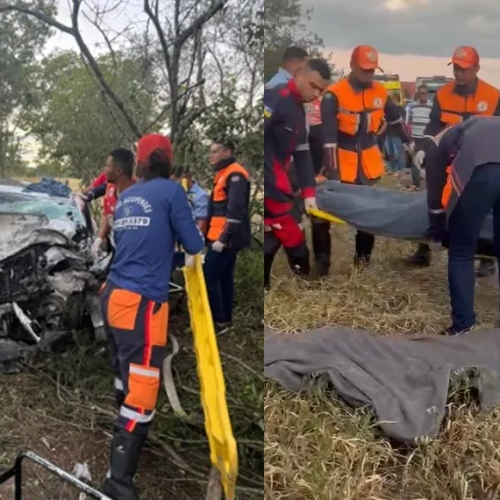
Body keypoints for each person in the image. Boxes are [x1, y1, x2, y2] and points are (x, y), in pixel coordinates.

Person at [100, 133, 204, 500]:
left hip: (111, 295)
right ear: (168, 161)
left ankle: (124, 425)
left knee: (123, 374)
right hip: (141, 306)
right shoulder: (172, 192)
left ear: (140, 164)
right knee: (143, 394)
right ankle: (117, 484)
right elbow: (193, 245)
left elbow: (132, 244)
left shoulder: (128, 197)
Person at [406, 46, 500, 273]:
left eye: (464, 69)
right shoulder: (442, 94)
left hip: (478, 162)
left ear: (476, 68)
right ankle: (425, 247)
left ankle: (486, 256)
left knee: (480, 207)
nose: (459, 73)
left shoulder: (493, 96)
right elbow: (434, 125)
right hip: (446, 159)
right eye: (456, 68)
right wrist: (422, 148)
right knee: (433, 200)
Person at [320, 45, 413, 266]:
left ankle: (362, 263)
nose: (368, 74)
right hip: (341, 160)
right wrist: (333, 174)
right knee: (323, 213)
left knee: (369, 214)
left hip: (369, 162)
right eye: (364, 69)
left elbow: (396, 121)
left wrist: (412, 146)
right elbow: (329, 139)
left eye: (372, 70)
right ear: (352, 66)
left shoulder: (381, 92)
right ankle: (323, 264)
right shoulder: (334, 94)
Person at [424, 116, 500, 335]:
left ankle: (463, 325)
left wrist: (437, 225)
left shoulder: (439, 143)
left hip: (483, 169)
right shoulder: (480, 124)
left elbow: (435, 186)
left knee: (461, 252)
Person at [264, 58, 331, 289]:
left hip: (282, 181)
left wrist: (309, 192)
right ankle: (301, 279)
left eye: (321, 90)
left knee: (279, 231)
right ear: (299, 74)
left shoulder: (299, 109)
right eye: (314, 86)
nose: (316, 94)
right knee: (288, 230)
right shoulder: (274, 97)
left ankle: (298, 280)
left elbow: (302, 153)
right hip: (271, 183)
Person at [204, 139, 251, 334]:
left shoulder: (235, 174)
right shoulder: (223, 174)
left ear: (227, 152)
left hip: (227, 239)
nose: (211, 155)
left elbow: (235, 210)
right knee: (224, 277)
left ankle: (219, 320)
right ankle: (225, 321)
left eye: (215, 151)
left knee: (210, 275)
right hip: (217, 237)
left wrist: (223, 239)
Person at [91, 149, 135, 258]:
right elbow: (108, 215)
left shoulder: (138, 193)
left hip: (132, 253)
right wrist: (99, 239)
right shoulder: (110, 189)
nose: (104, 170)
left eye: (108, 166)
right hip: (115, 249)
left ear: (118, 171)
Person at [405, 85, 432, 188]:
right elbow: (407, 124)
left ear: (427, 94)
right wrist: (409, 140)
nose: (423, 95)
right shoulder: (412, 107)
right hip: (415, 138)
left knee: (429, 161)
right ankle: (416, 184)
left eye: (425, 93)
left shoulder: (432, 107)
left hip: (427, 139)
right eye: (421, 93)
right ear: (418, 94)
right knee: (415, 162)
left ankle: (429, 184)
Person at [171, 165, 210, 234]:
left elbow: (202, 223)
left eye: (178, 181)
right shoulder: (176, 193)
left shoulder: (200, 195)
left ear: (187, 178)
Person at [384, 93, 406, 174]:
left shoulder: (400, 108)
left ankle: (399, 169)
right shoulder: (388, 109)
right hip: (388, 133)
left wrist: (392, 123)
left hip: (397, 134)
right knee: (390, 153)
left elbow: (401, 120)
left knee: (397, 153)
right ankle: (392, 168)